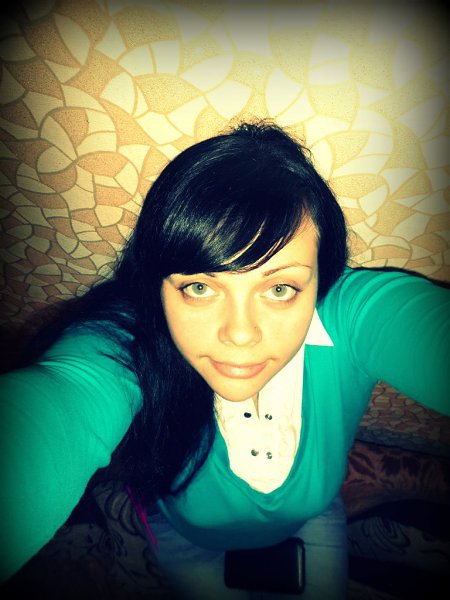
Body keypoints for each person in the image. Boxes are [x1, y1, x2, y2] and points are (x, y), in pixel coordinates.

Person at [0, 121, 448, 599]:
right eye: (199, 287)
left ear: (321, 279)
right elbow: (57, 406)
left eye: (280, 288)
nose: (239, 334)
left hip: (310, 517)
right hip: (184, 536)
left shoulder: (350, 317)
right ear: (158, 282)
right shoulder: (130, 338)